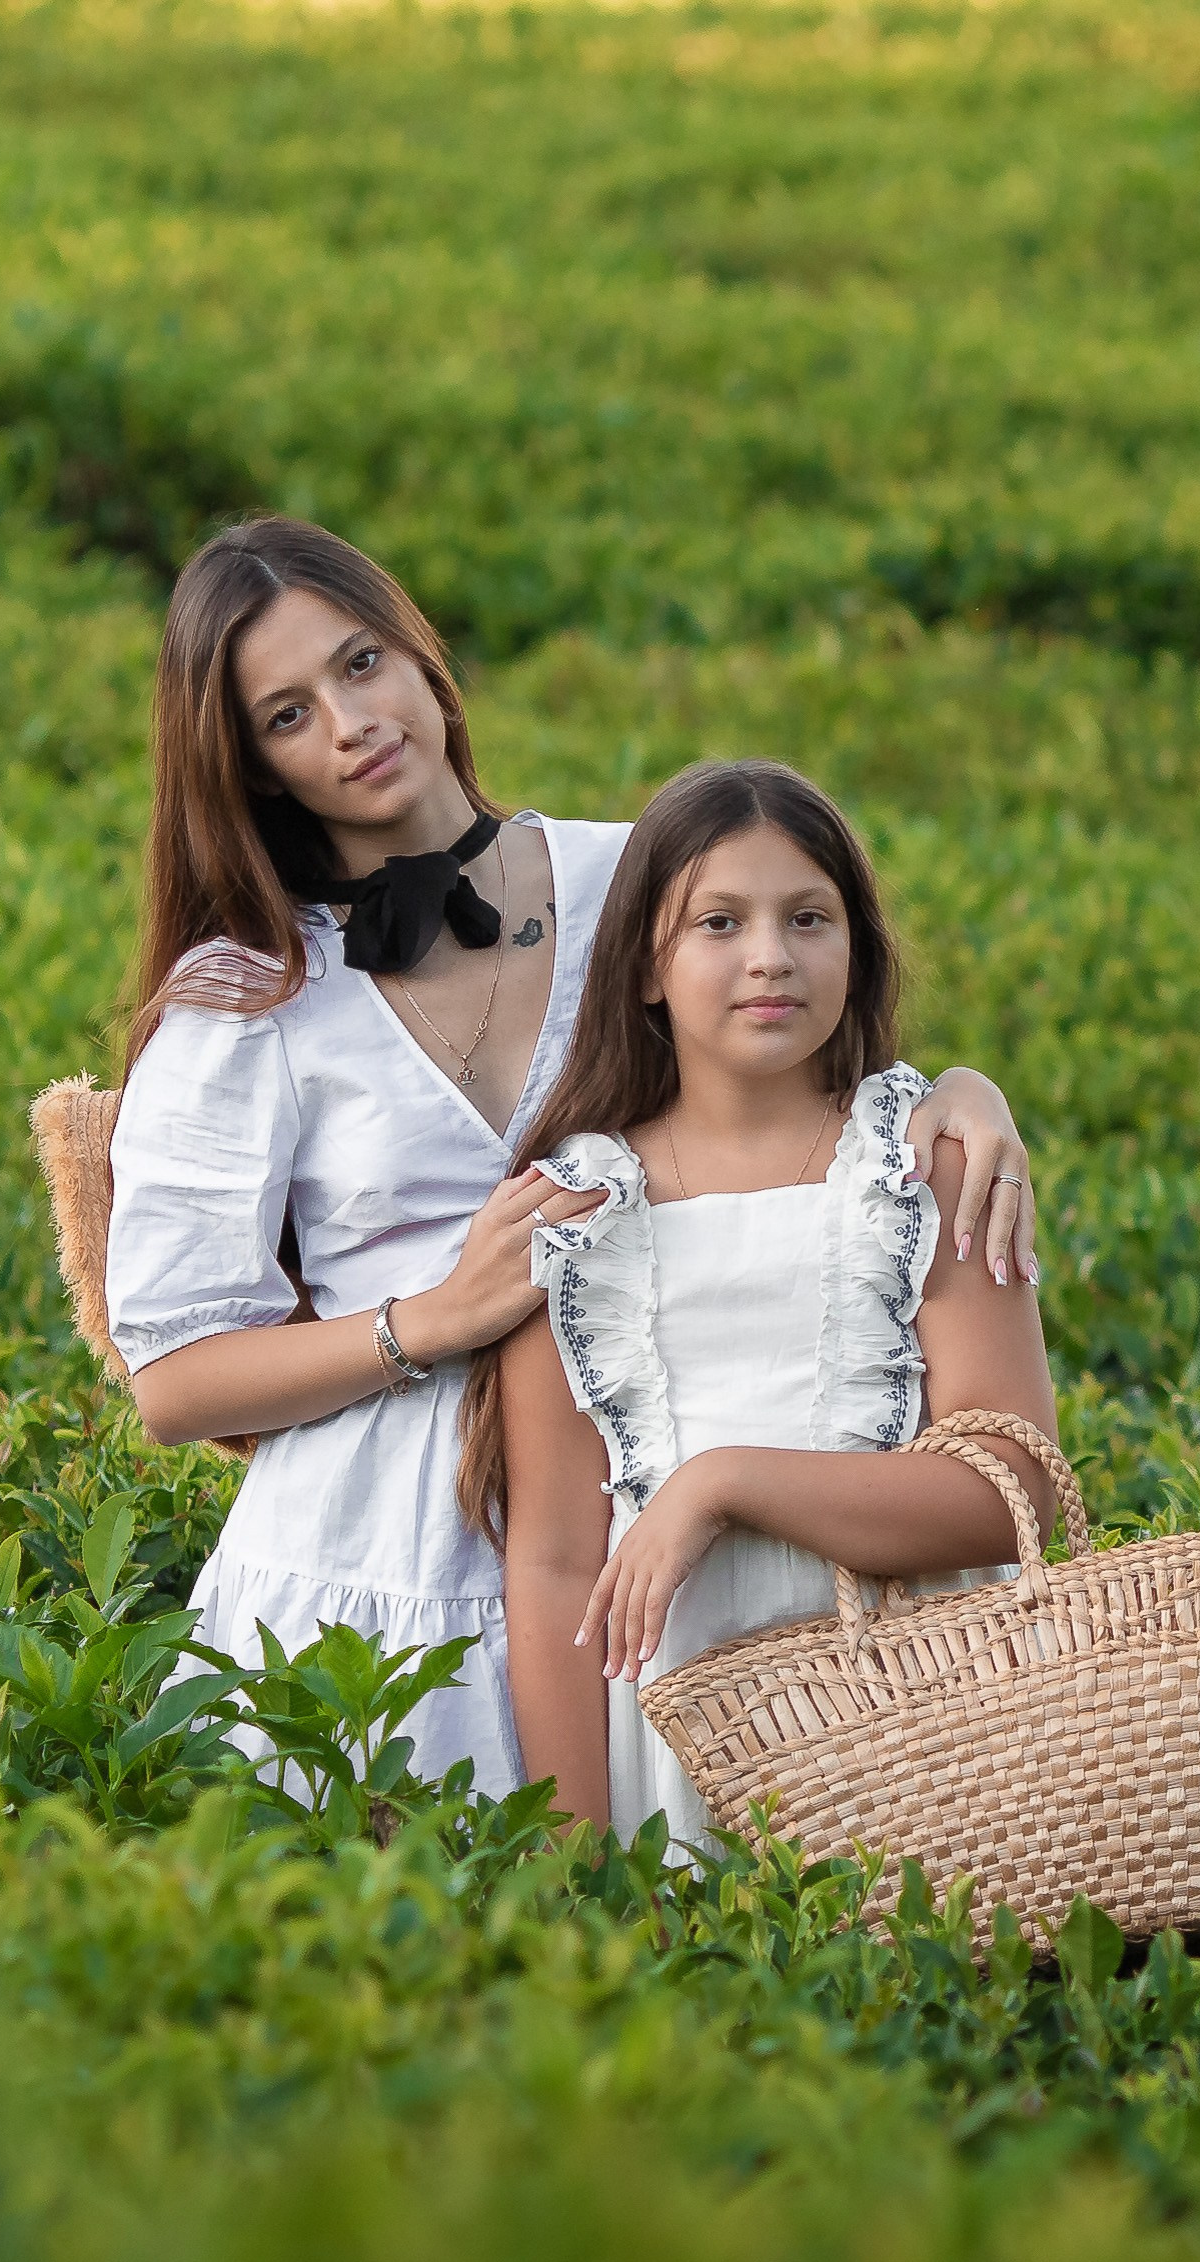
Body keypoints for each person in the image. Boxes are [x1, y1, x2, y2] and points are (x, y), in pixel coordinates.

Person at [103, 517, 1042, 1793]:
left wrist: (963, 1090)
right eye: (286, 714)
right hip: (382, 1553)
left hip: (663, 1486)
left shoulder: (628, 879)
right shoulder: (245, 1000)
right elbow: (175, 1379)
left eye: (363, 662)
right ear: (252, 768)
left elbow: (810, 1089)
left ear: (426, 663)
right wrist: (428, 1319)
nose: (349, 721)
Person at [467, 758, 1060, 1851]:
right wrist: (581, 1866)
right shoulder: (578, 1214)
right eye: (719, 923)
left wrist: (721, 1484)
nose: (769, 957)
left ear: (857, 947)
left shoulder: (924, 1168)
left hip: (919, 1718)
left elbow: (1013, 1489)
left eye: (809, 917)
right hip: (673, 1735)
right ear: (645, 965)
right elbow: (551, 1568)